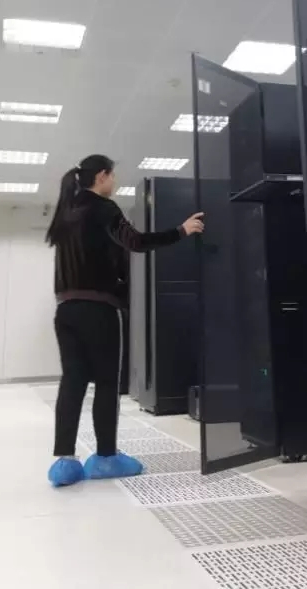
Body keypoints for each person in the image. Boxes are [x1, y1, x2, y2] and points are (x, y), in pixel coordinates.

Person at [45, 154, 204, 487]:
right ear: (102, 176)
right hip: (99, 310)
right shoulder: (104, 209)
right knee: (106, 383)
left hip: (66, 311)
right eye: (113, 176)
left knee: (72, 381)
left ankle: (64, 461)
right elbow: (136, 242)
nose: (115, 183)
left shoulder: (67, 213)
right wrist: (181, 231)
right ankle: (106, 457)